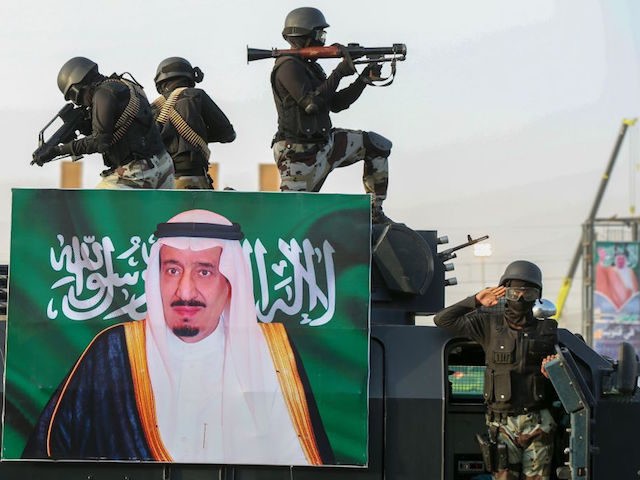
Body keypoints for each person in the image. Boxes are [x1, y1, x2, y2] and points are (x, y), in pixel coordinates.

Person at [22, 209, 332, 465]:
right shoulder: (113, 352)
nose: (185, 291)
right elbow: (45, 459)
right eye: (172, 270)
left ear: (231, 280)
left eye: (204, 271)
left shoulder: (269, 353)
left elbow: (302, 464)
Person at [433, 260, 558, 480]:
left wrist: (553, 373)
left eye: (527, 294)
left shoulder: (547, 330)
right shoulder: (488, 324)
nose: (520, 298)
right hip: (502, 424)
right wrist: (475, 301)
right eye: (514, 292)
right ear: (504, 291)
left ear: (537, 295)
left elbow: (563, 380)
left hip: (538, 420)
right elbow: (442, 319)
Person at [270, 7, 393, 224]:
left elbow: (336, 103)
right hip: (298, 154)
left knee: (376, 145)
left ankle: (375, 212)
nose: (322, 39)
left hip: (325, 144)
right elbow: (311, 104)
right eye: (319, 34)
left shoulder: (311, 68)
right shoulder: (287, 66)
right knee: (293, 220)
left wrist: (362, 80)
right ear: (304, 35)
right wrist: (339, 72)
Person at [33, 57, 175, 189]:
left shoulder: (103, 94)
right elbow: (127, 127)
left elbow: (100, 142)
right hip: (164, 165)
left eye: (75, 97)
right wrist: (85, 126)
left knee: (90, 209)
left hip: (138, 173)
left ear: (78, 87)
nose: (79, 103)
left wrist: (59, 150)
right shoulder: (125, 85)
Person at [152, 57, 236, 189]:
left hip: (161, 181)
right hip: (193, 178)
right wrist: (200, 133)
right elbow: (228, 134)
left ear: (160, 82)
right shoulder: (196, 96)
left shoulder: (154, 107)